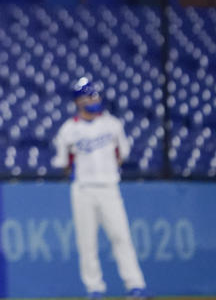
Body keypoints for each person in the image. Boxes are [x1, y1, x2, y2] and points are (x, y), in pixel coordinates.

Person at [52, 77, 149, 299]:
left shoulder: (112, 124)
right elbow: (64, 163)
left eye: (96, 95)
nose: (94, 99)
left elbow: (121, 155)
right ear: (78, 101)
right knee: (87, 242)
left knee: (121, 236)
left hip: (109, 187)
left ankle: (136, 286)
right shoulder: (68, 130)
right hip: (83, 190)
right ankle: (94, 289)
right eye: (89, 96)